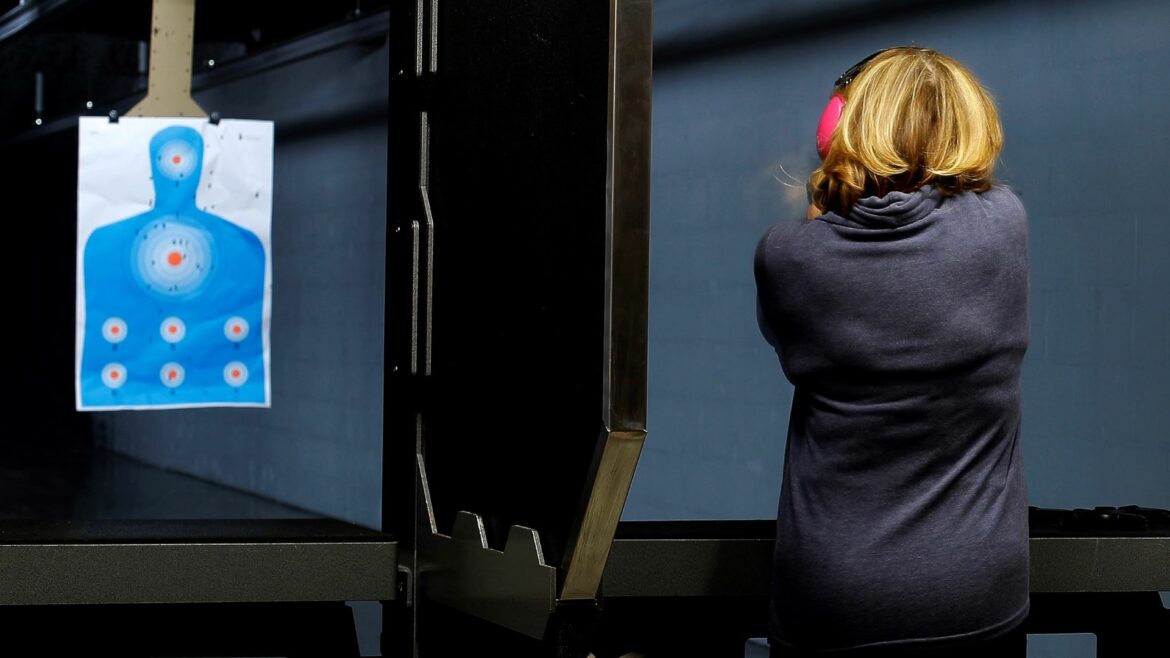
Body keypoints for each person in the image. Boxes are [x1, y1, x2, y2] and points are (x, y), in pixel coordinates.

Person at [755, 46, 1030, 656]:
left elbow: (787, 336)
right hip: (978, 596)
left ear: (840, 129)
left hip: (832, 603)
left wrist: (828, 191)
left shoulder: (787, 255)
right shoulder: (1005, 227)